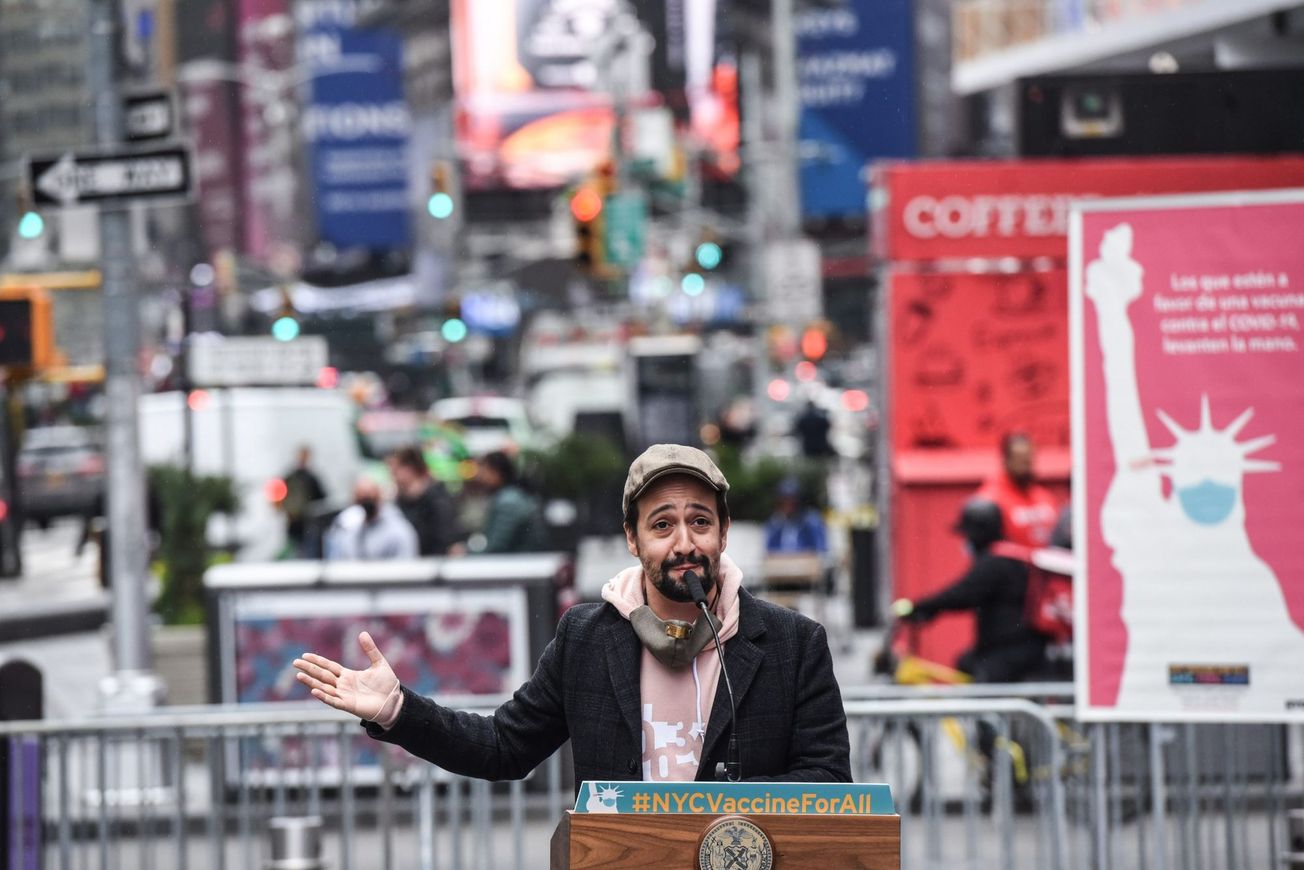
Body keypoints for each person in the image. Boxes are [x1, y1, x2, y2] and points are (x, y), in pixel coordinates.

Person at [293, 443, 851, 784]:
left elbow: (827, 779)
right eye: (662, 525)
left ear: (723, 532)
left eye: (700, 522)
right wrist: (397, 711)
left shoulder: (792, 644)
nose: (685, 543)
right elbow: (503, 748)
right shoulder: (588, 638)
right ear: (632, 539)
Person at [898, 497, 1045, 684]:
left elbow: (963, 593)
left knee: (982, 686)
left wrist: (919, 606)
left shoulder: (995, 563)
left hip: (1009, 653)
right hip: (1018, 648)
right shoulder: (1010, 556)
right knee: (965, 663)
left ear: (978, 533)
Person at [976, 432, 1059, 548]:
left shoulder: (1045, 497)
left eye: (1028, 459)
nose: (1025, 466)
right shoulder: (990, 500)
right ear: (1005, 460)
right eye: (1019, 459)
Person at [387, 445, 464, 556]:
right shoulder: (400, 499)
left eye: (394, 471)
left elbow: (444, 538)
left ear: (409, 469)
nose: (392, 476)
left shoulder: (437, 499)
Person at [323, 477, 418, 560]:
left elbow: (405, 565)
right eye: (361, 499)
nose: (365, 504)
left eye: (369, 498)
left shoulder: (398, 529)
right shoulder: (347, 524)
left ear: (379, 497)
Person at [473, 450, 546, 554]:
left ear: (496, 473)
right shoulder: (511, 496)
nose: (480, 476)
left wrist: (467, 553)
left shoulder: (508, 502)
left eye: (484, 470)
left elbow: (496, 546)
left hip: (521, 565)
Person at [282, 446, 328, 557]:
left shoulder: (292, 476)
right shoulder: (308, 477)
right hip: (304, 523)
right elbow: (322, 497)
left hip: (300, 523)